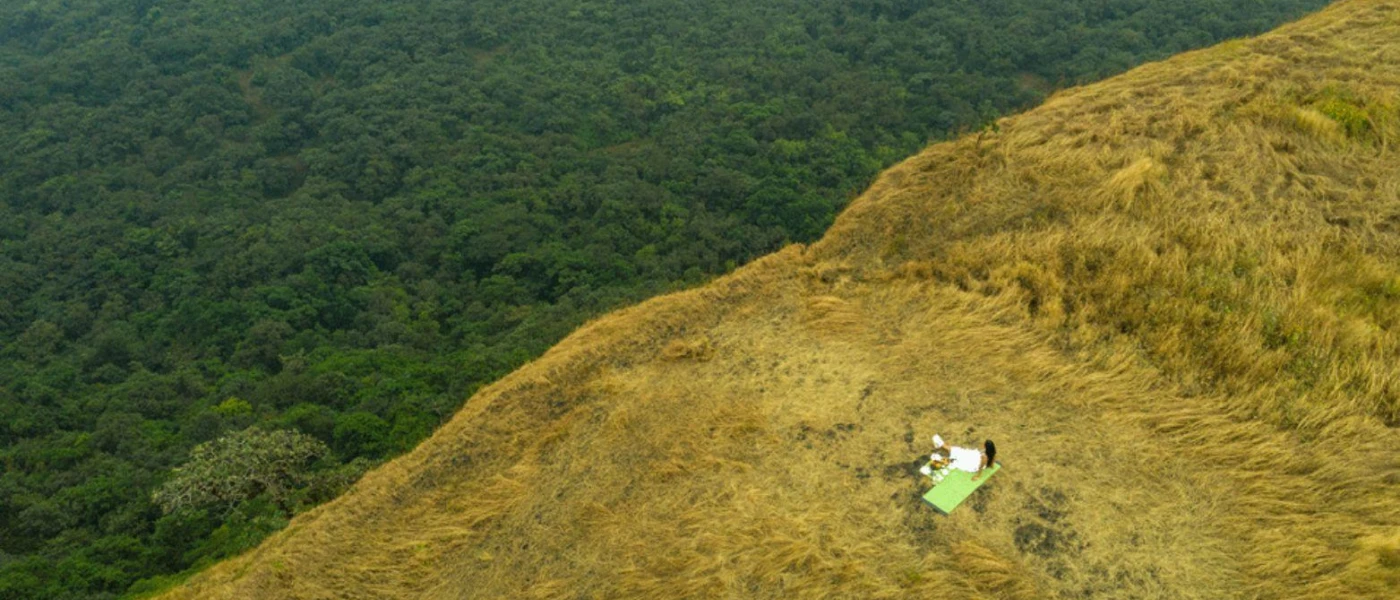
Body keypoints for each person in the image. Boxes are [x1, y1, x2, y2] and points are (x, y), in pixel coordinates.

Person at [931, 434, 997, 480]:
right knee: (958, 451)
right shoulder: (992, 451)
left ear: (985, 446)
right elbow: (992, 459)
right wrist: (991, 465)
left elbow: (981, 466)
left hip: (974, 463)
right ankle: (941, 444)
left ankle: (940, 443)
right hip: (976, 457)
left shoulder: (984, 457)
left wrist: (978, 476)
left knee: (958, 455)